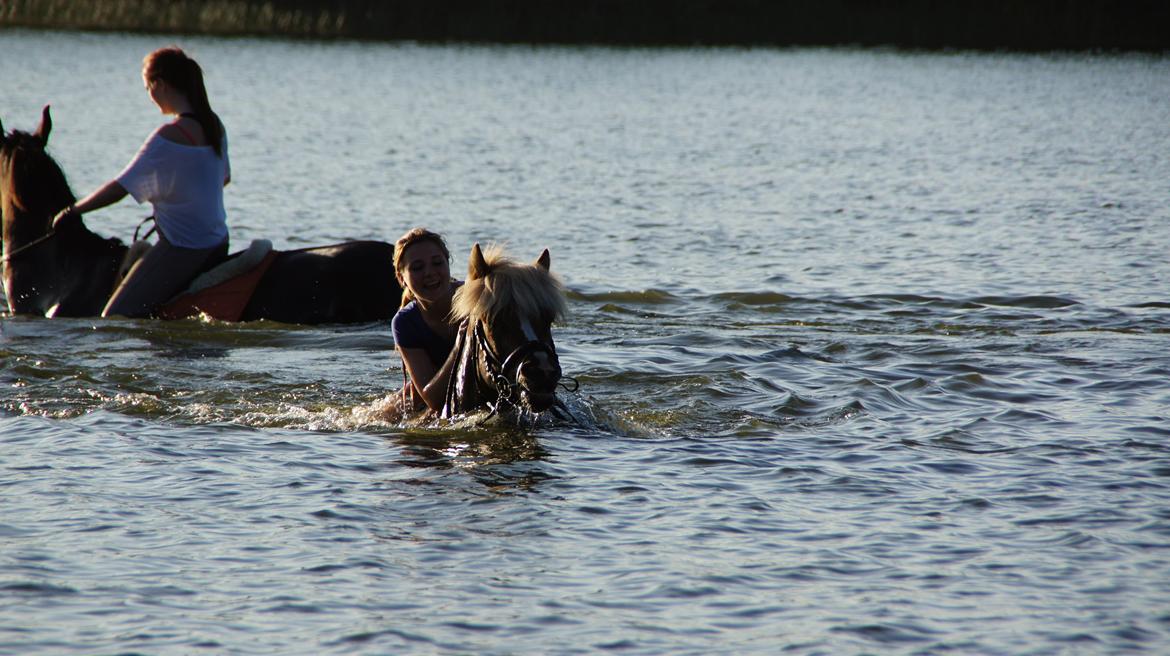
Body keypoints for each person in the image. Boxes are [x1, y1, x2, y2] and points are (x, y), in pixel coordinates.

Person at [52, 46, 231, 318]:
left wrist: (72, 211)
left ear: (159, 84)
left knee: (115, 316)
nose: (149, 96)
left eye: (148, 88)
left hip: (184, 246)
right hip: (219, 240)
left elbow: (119, 189)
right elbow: (224, 179)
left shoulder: (168, 136)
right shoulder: (215, 126)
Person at [391, 227, 463, 414]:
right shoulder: (405, 322)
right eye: (417, 268)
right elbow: (434, 400)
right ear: (402, 279)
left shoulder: (478, 299)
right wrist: (463, 342)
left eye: (437, 263)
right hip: (430, 394)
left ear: (448, 264)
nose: (429, 273)